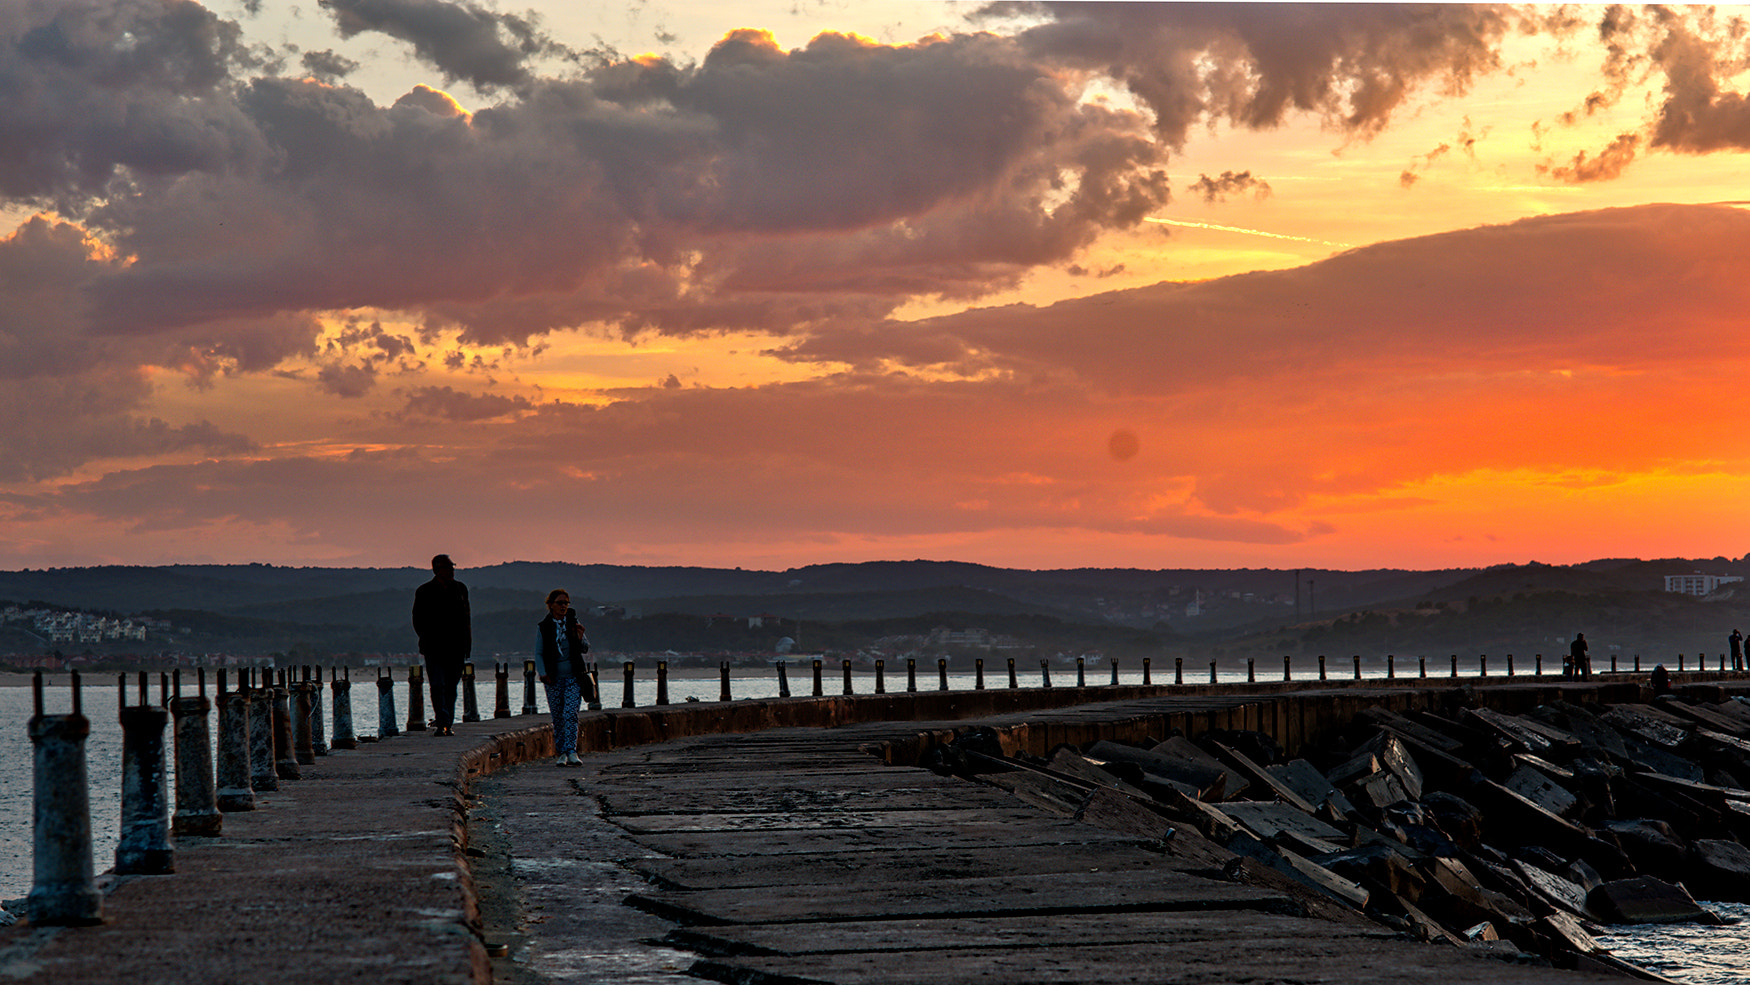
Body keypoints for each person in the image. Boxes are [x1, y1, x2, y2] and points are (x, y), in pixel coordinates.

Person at [411, 554, 471, 736]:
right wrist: (427, 639)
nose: (452, 570)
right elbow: (417, 620)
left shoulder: (460, 589)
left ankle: (448, 723)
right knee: (437, 685)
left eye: (453, 567)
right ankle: (442, 722)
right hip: (434, 648)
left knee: (451, 686)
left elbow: (466, 619)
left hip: (457, 648)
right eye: (448, 567)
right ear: (437, 570)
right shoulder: (424, 591)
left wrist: (467, 645)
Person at [536, 589, 590, 766]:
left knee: (570, 713)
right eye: (560, 602)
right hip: (553, 679)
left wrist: (580, 638)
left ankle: (572, 751)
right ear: (550, 605)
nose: (564, 606)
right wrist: (543, 673)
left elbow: (585, 648)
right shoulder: (544, 627)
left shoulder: (573, 622)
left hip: (574, 676)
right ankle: (561, 754)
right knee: (558, 716)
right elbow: (539, 653)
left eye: (566, 602)